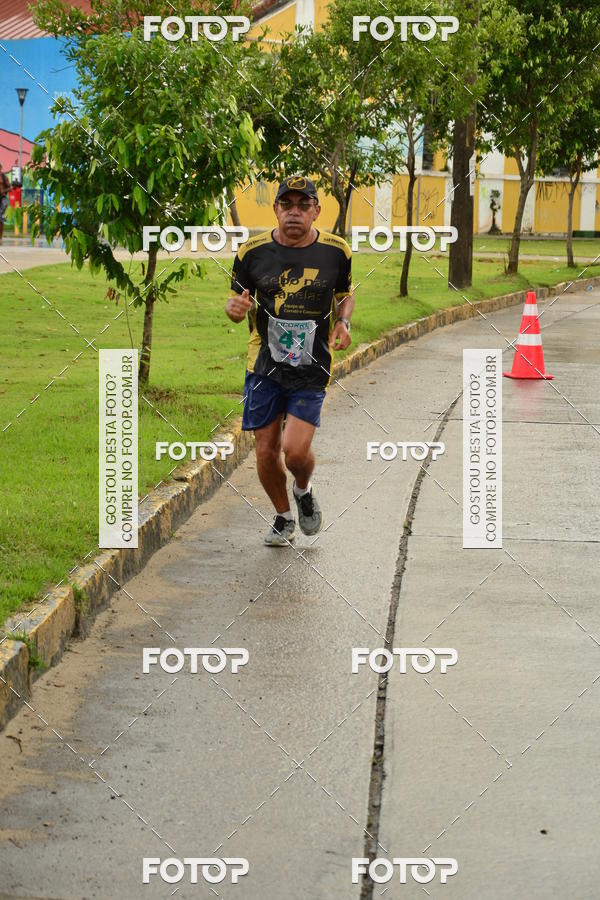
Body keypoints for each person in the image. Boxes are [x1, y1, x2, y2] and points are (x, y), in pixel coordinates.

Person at [226, 175, 354, 546]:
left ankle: (303, 489)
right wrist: (234, 309)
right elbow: (237, 304)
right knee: (265, 450)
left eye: (303, 205)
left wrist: (344, 322)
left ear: (316, 210)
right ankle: (283, 517)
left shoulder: (336, 251)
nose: (294, 213)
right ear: (276, 209)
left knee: (295, 451)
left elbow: (345, 294)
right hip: (264, 364)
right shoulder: (251, 252)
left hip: (312, 364)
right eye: (287, 205)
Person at [0, 164, 10, 245]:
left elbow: (9, 188)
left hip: (2, 198)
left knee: (1, 219)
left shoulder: (4, 177)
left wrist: (3, 191)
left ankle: (0, 238)